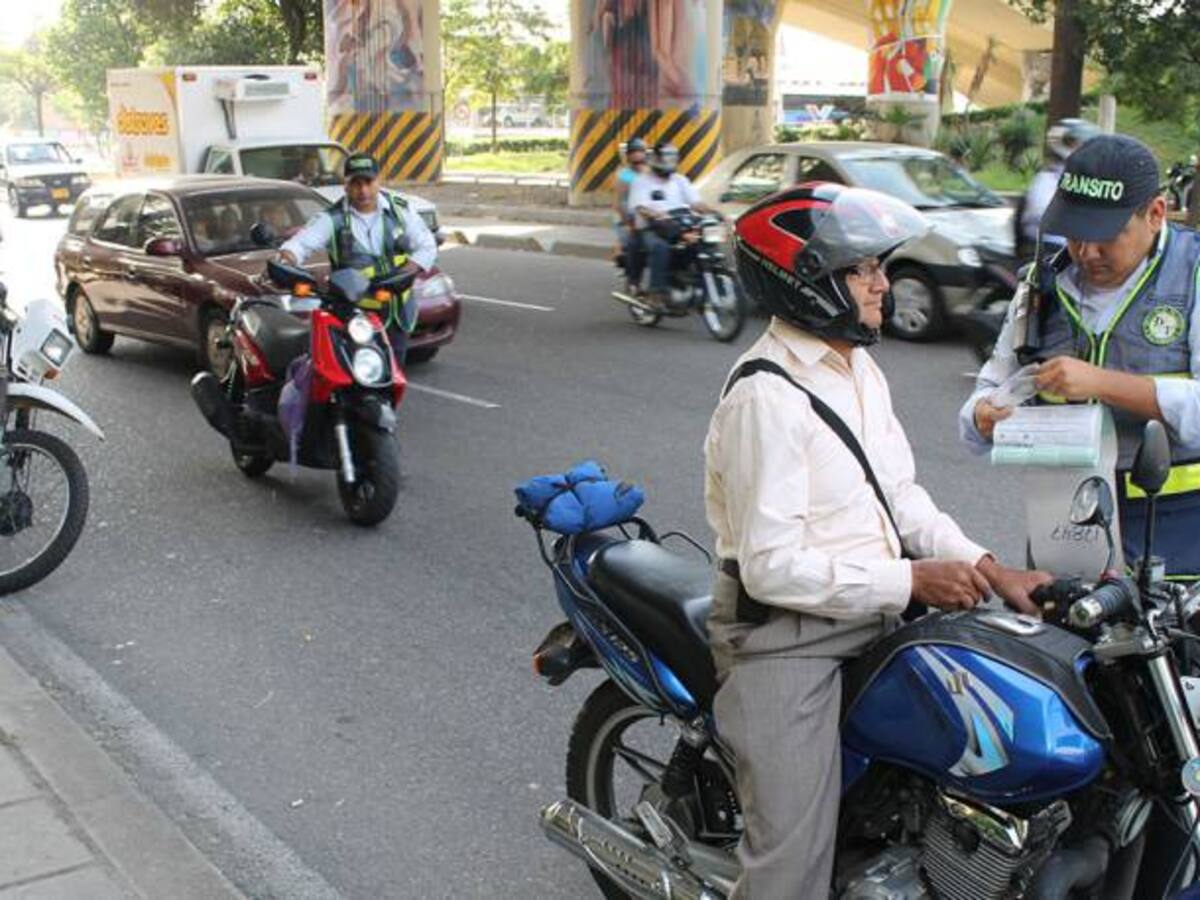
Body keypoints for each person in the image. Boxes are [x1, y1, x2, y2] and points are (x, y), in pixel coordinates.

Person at [706, 182, 1049, 898]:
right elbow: (770, 569)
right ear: (807, 280)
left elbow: (902, 499)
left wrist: (986, 567)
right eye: (863, 269)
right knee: (789, 864)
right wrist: (912, 581)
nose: (882, 283)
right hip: (787, 638)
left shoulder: (857, 367)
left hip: (876, 611)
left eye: (878, 267)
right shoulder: (765, 398)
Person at [963, 133, 1200, 579]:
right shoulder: (1041, 285)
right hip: (1065, 533)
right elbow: (984, 395)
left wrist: (1101, 383)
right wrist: (983, 415)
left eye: (1105, 235)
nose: (1087, 252)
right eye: (1074, 234)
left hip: (1180, 538)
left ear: (1155, 214)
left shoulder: (1193, 275)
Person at [279, 153, 437, 365]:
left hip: (396, 314)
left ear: (378, 181)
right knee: (354, 377)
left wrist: (407, 271)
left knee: (392, 376)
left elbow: (426, 245)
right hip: (354, 317)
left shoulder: (399, 210)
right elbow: (299, 245)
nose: (363, 190)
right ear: (345, 186)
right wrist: (285, 259)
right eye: (355, 183)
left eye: (368, 182)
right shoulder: (331, 219)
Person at [627, 143, 719, 309]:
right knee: (660, 247)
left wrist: (716, 213)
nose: (668, 163)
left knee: (702, 244)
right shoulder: (642, 181)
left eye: (672, 159)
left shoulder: (680, 180)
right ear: (655, 160)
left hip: (677, 225)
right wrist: (655, 214)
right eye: (665, 159)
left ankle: (699, 283)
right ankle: (656, 293)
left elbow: (696, 203)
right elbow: (640, 207)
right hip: (650, 228)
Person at [1017, 118, 1100, 260]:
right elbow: (1043, 215)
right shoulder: (1046, 180)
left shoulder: (1087, 179)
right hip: (1049, 250)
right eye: (1079, 144)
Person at [614, 137, 648, 291]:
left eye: (640, 151)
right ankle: (630, 274)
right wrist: (627, 221)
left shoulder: (651, 172)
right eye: (634, 152)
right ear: (628, 156)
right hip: (628, 214)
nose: (637, 155)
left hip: (648, 214)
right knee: (630, 241)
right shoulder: (625, 175)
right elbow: (620, 202)